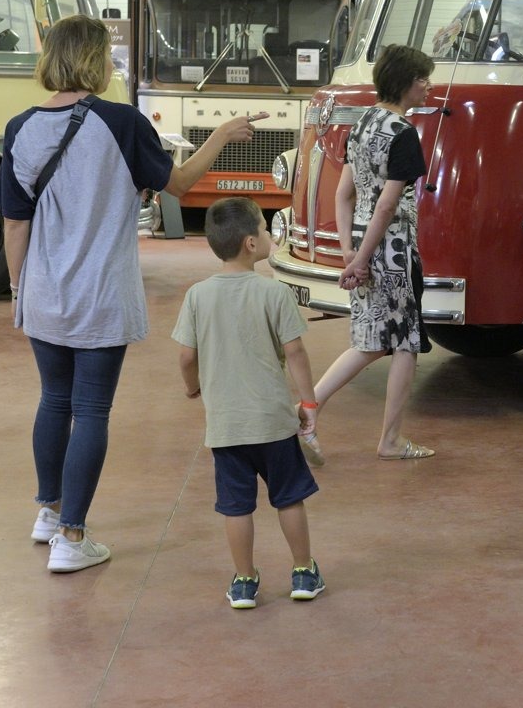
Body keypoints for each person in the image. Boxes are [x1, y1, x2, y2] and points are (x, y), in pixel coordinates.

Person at [0, 14, 263, 573]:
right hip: (100, 293)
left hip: (42, 291)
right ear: (96, 59)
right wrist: (220, 134)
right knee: (91, 408)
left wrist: (19, 289)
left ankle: (48, 513)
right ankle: (72, 537)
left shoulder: (20, 127)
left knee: (54, 400)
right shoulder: (120, 122)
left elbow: (15, 222)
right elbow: (180, 185)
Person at [172, 197, 325, 608]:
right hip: (273, 422)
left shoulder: (197, 296)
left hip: (226, 426)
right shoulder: (274, 293)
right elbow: (295, 353)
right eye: (263, 227)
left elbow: (186, 357)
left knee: (236, 506)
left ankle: (244, 581)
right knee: (288, 497)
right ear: (251, 244)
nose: (267, 232)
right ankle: (303, 571)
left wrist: (193, 388)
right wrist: (308, 403)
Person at [309, 44, 437, 461]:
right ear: (406, 83)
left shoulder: (362, 123)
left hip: (364, 243)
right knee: (404, 342)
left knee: (370, 340)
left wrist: (350, 249)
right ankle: (390, 440)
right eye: (423, 80)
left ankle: (308, 407)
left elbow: (344, 194)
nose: (428, 86)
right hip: (393, 249)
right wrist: (362, 258)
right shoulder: (403, 134)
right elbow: (387, 205)